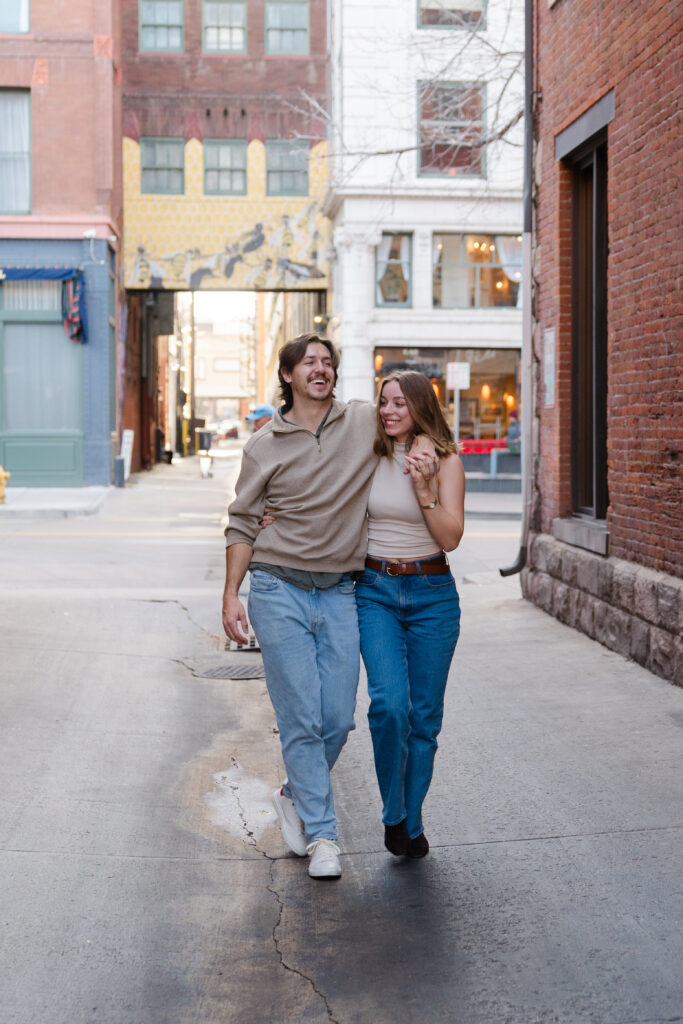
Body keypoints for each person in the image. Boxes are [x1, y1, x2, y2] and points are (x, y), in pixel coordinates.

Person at [222, 334, 437, 880]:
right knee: (300, 718)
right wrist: (231, 593)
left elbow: (408, 418)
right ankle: (323, 836)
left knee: (337, 718)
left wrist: (426, 445)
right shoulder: (263, 445)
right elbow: (244, 521)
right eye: (309, 362)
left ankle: (295, 794)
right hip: (276, 588)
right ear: (289, 375)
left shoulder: (362, 421)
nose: (321, 368)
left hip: (342, 588)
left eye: (328, 362)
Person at [355, 371, 465, 859]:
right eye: (384, 402)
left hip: (432, 595)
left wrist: (425, 491)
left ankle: (410, 823)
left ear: (421, 406)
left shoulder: (445, 462)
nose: (389, 410)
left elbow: (451, 537)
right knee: (388, 708)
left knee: (424, 719)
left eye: (400, 402)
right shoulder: (370, 456)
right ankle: (393, 812)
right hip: (375, 590)